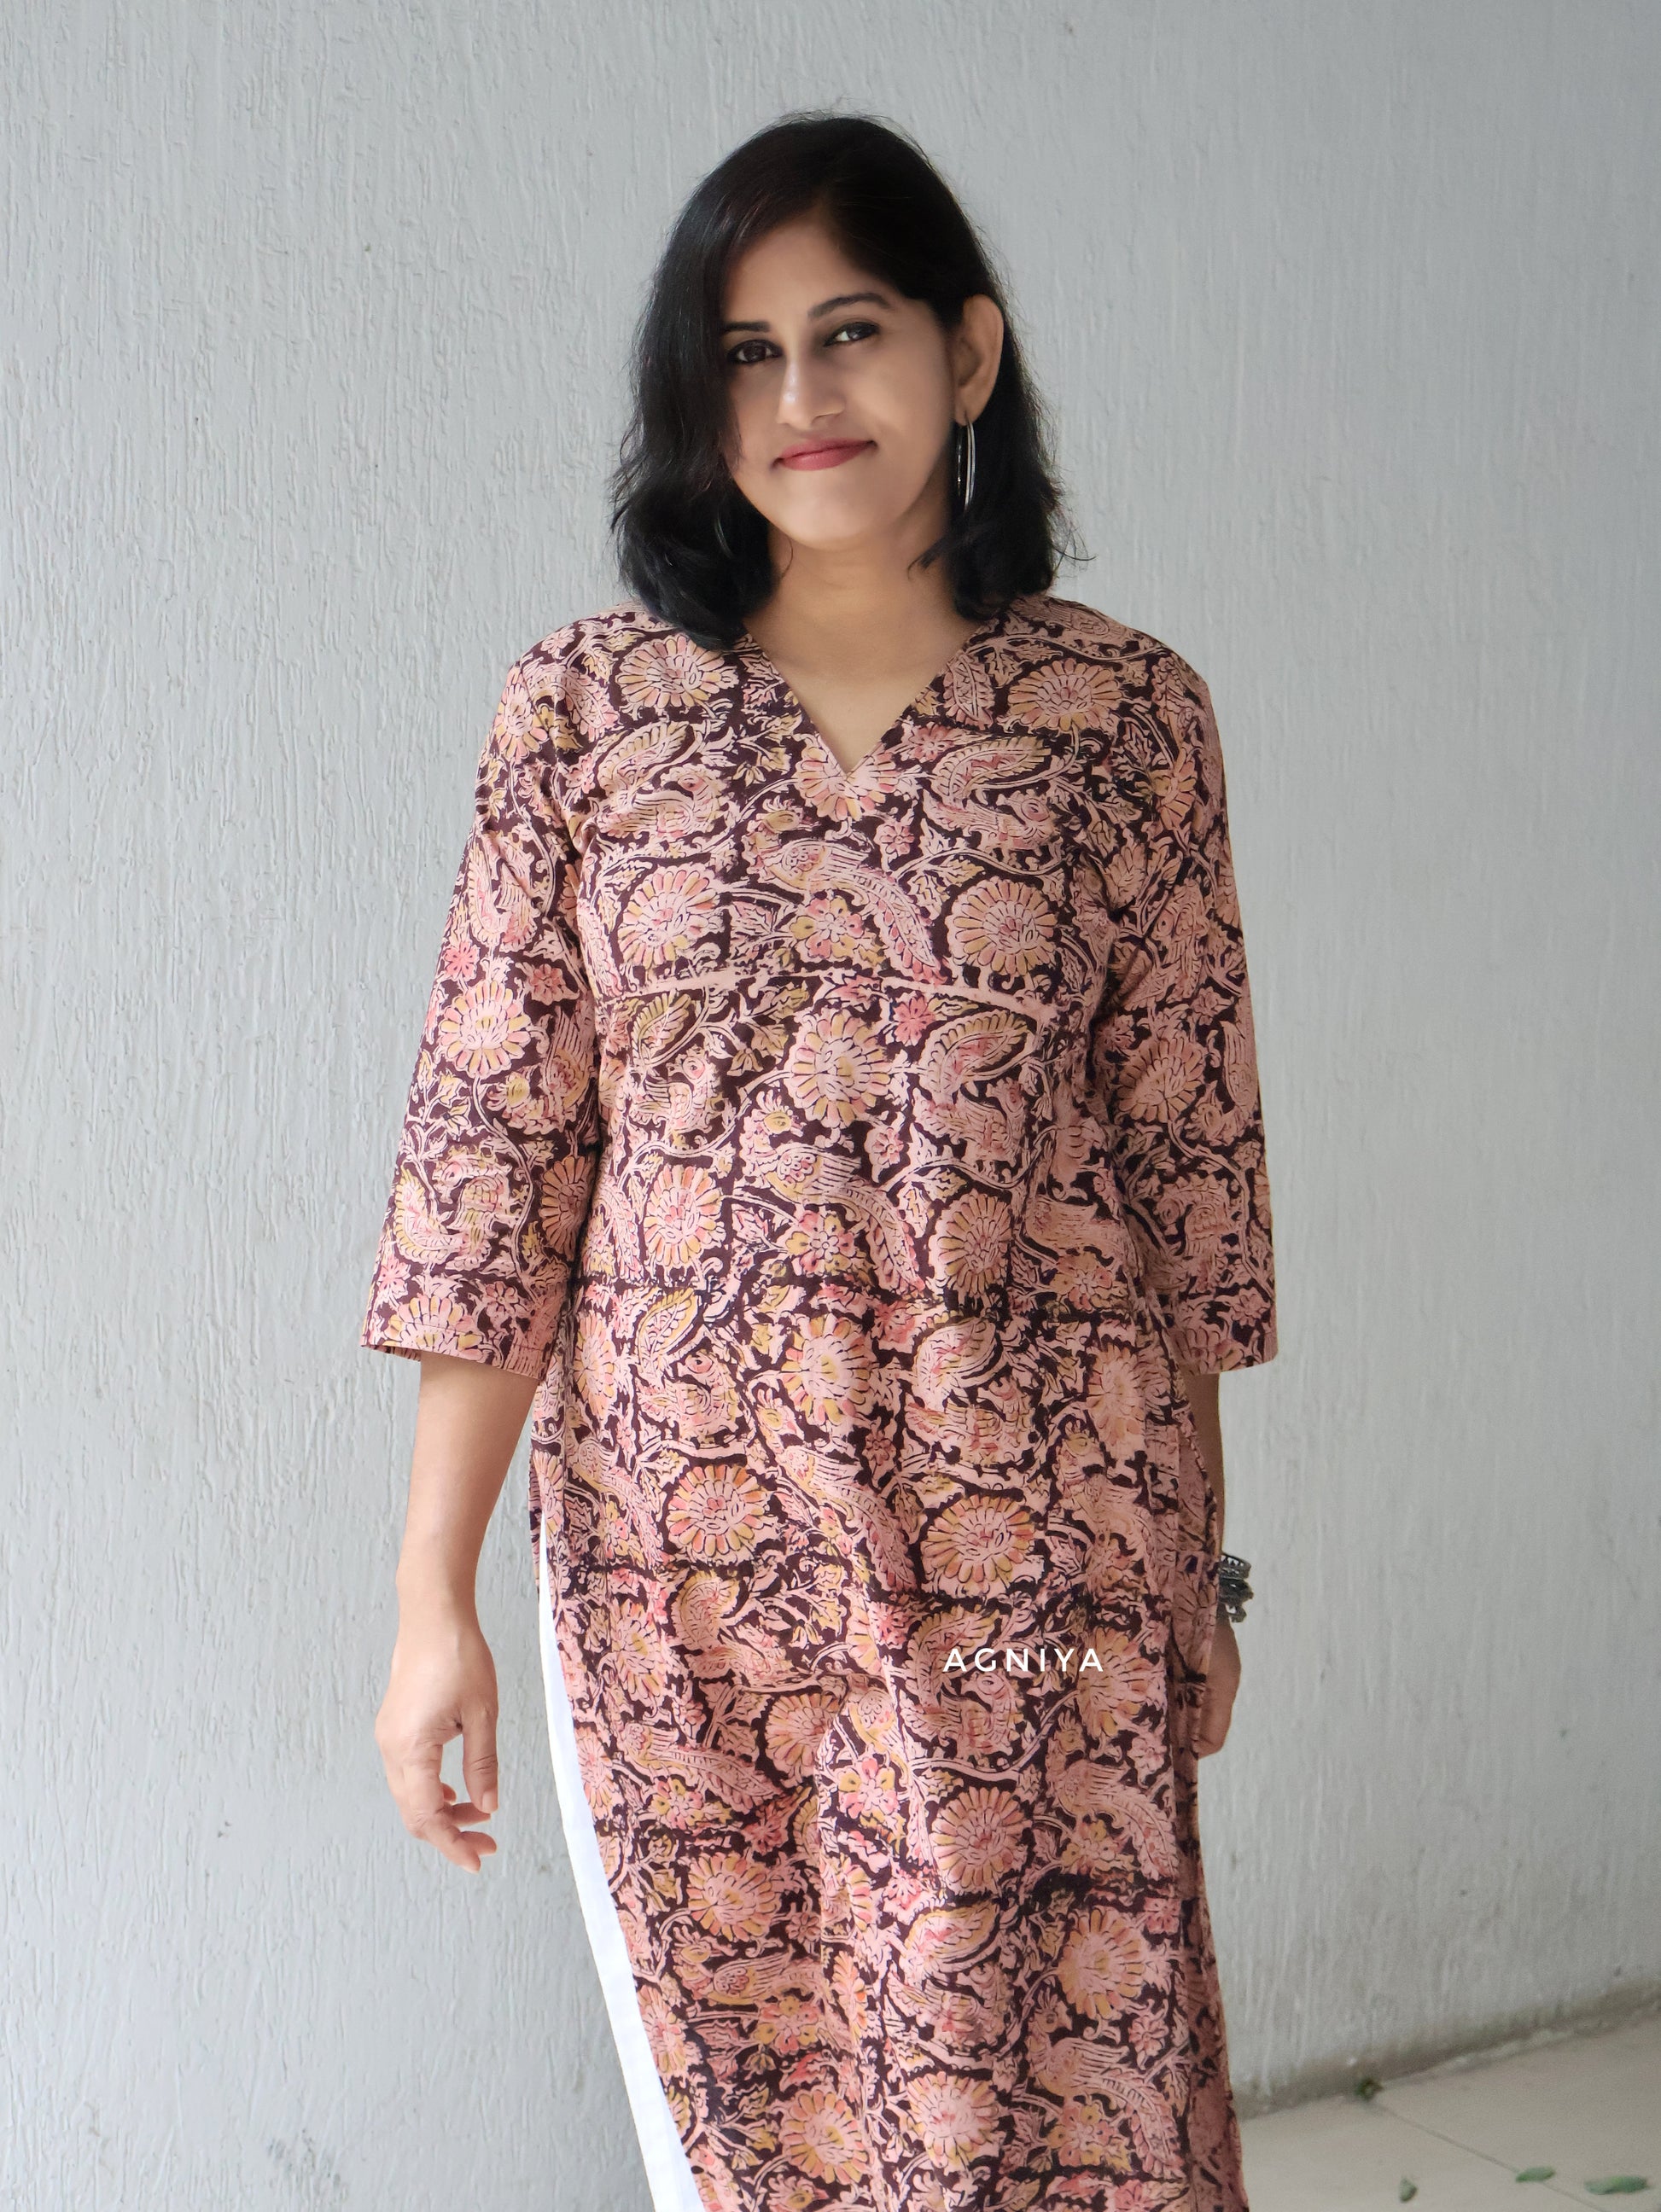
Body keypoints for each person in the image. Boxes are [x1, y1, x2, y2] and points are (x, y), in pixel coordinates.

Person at [363, 110, 1277, 2212]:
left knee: (1067, 2113)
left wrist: (1202, 1572)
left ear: (969, 351)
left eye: (847, 330)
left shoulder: (1122, 720)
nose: (799, 396)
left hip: (1042, 1545)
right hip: (685, 1573)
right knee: (756, 2122)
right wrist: (432, 1599)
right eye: (742, 351)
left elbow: (1186, 1174)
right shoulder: (585, 718)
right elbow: (497, 1167)